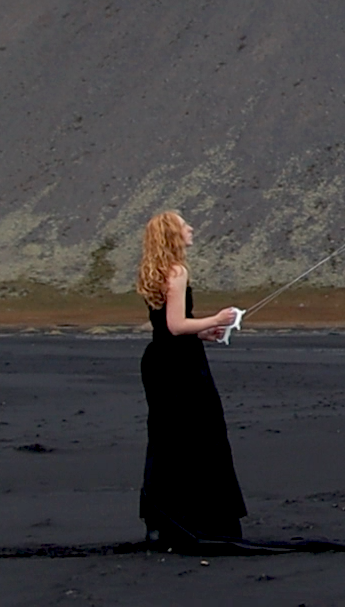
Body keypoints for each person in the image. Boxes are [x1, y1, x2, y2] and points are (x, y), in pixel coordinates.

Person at [135, 210, 246, 546]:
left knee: (167, 438)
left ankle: (161, 520)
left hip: (161, 360)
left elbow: (171, 329)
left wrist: (205, 332)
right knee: (203, 434)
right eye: (184, 225)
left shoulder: (154, 272)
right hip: (180, 367)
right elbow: (175, 325)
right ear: (172, 234)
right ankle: (206, 520)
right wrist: (218, 317)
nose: (191, 228)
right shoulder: (177, 271)